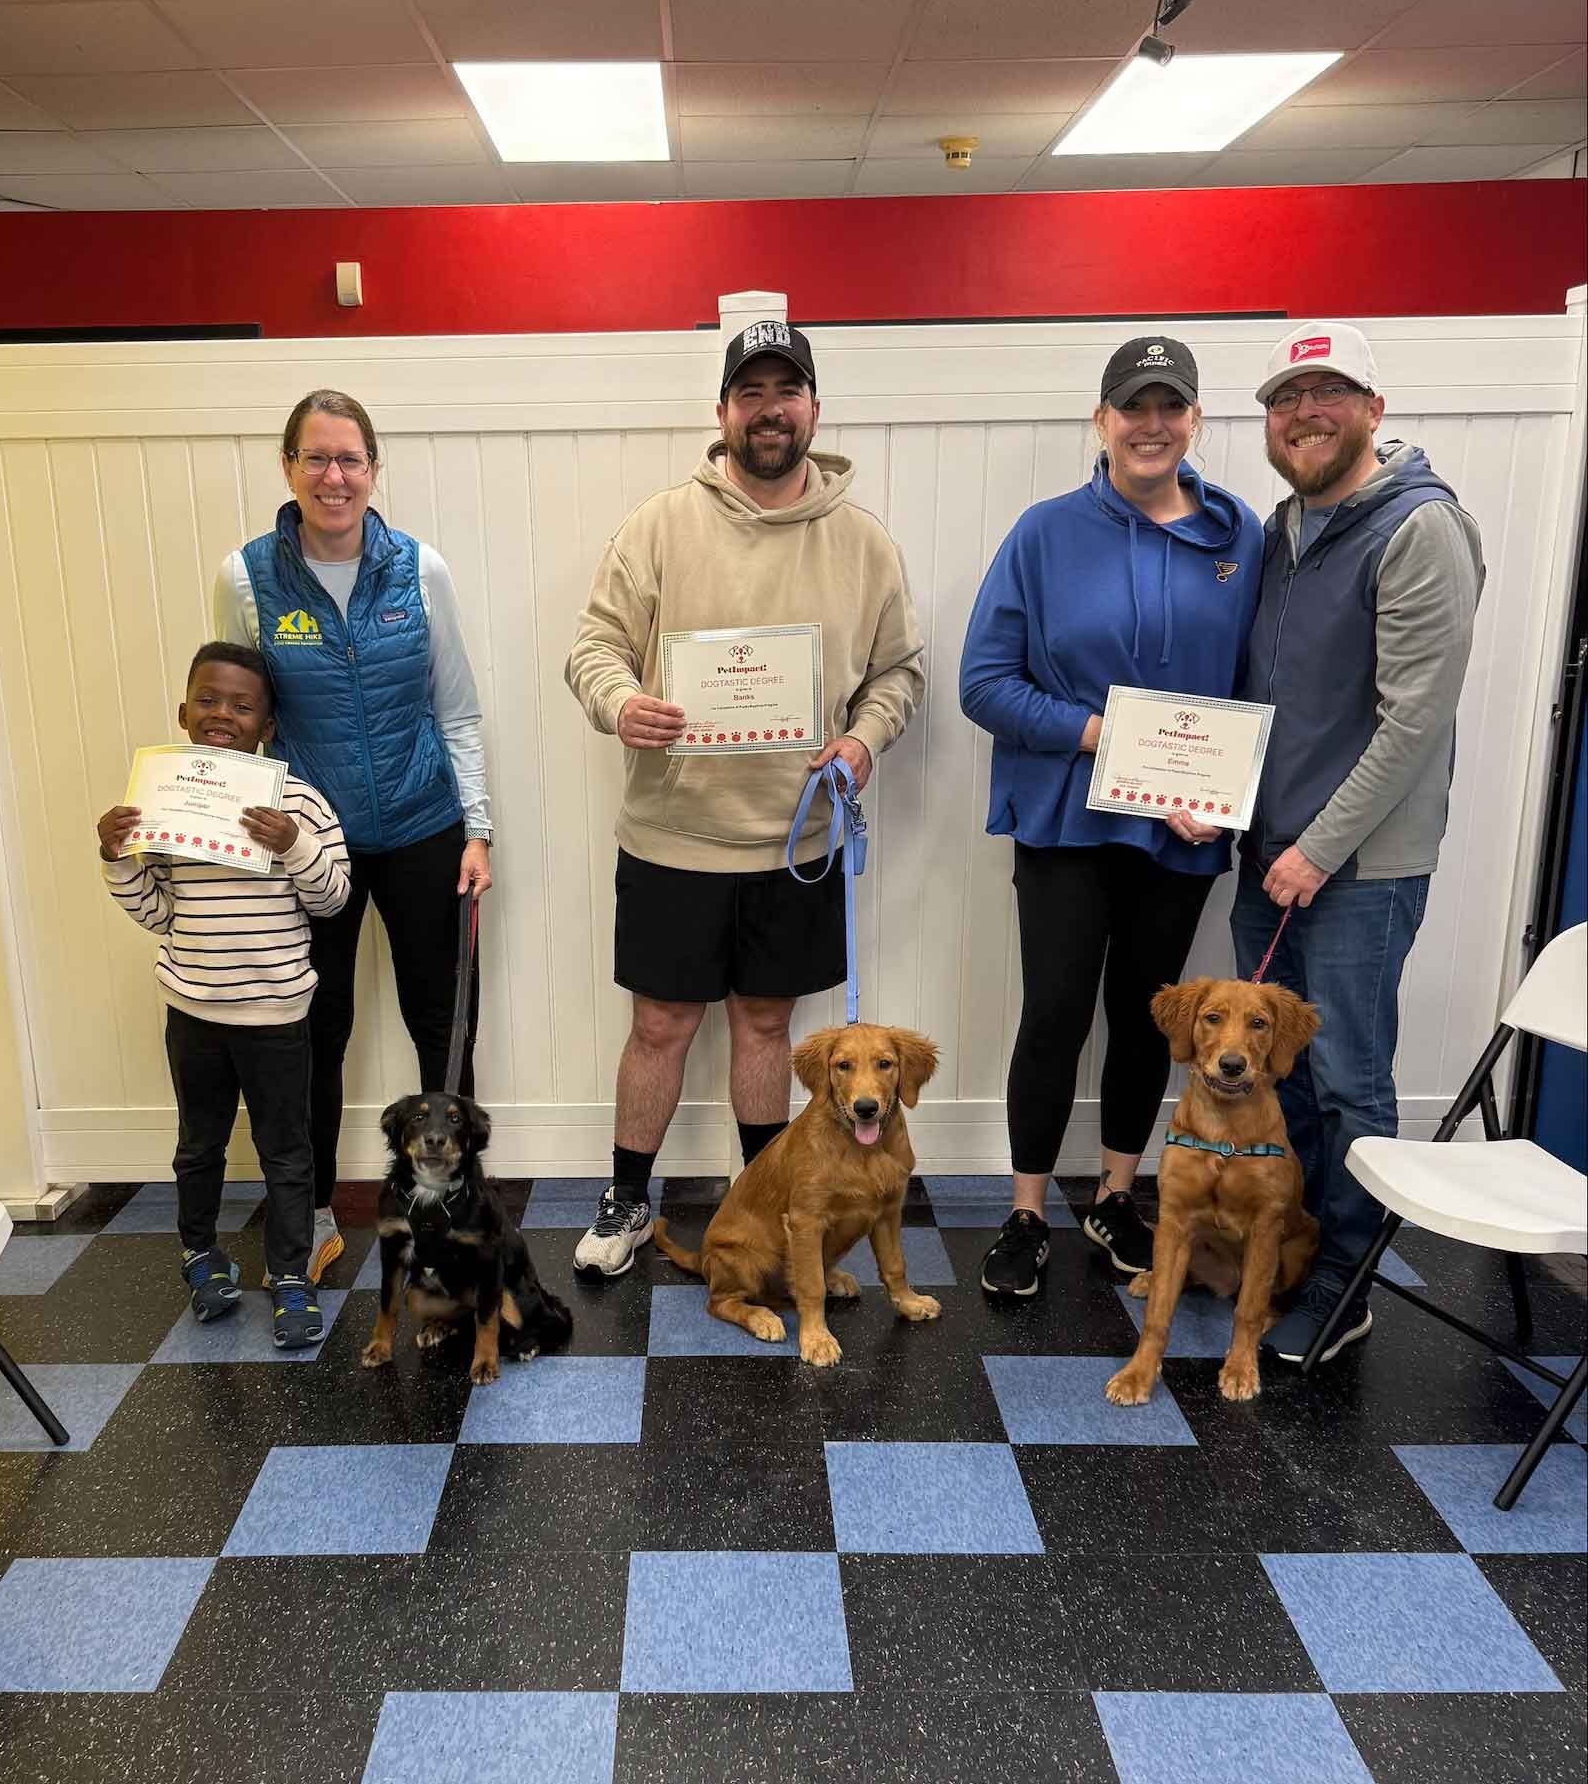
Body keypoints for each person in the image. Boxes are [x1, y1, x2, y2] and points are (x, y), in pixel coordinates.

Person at [563, 318, 926, 1277]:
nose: (770, 410)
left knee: (766, 1025)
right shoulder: (657, 527)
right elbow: (592, 648)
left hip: (795, 843)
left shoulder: (863, 544)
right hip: (673, 836)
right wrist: (621, 702)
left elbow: (899, 675)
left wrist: (862, 739)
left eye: (787, 390)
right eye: (750, 393)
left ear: (813, 407)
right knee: (660, 1025)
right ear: (723, 411)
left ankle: (769, 1201)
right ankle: (629, 1202)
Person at [958, 336, 1263, 1299]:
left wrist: (1223, 792)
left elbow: (1255, 684)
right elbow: (984, 685)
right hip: (1065, 824)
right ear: (1102, 422)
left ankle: (1117, 1197)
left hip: (1184, 833)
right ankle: (1023, 1211)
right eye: (1134, 408)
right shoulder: (1043, 534)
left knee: (1148, 1020)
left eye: (1171, 408)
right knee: (1052, 1015)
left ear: (1194, 422)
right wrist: (1101, 737)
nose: (1152, 425)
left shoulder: (1239, 535)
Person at [1230, 319, 1483, 1364]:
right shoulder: (1281, 529)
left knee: (1345, 1077)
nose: (1303, 415)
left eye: (1328, 394)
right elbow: (1267, 699)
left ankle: (1346, 1280)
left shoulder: (1417, 527)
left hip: (1357, 868)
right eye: (1286, 401)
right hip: (1271, 854)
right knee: (1283, 1074)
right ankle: (1286, 1254)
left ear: (1373, 409)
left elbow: (1411, 720)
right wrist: (1223, 802)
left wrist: (1319, 849)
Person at [215, 389, 492, 1285]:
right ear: (287, 467)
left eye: (351, 460)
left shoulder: (421, 570)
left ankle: (449, 1215)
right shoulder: (246, 577)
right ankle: (313, 1221)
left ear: (375, 471)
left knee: (441, 1027)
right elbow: (236, 719)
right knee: (312, 1029)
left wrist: (477, 830)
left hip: (423, 828)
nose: (335, 477)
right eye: (316, 458)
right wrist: (243, 832)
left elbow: (457, 708)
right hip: (311, 846)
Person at [97, 642, 350, 1348]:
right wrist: (116, 858)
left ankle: (292, 1276)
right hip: (194, 1011)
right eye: (208, 700)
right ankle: (200, 1255)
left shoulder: (298, 802)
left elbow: (332, 899)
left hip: (276, 1015)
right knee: (198, 1145)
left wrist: (294, 844)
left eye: (243, 706)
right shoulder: (161, 804)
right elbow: (156, 912)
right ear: (184, 712)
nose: (222, 715)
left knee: (287, 1151)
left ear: (267, 726)